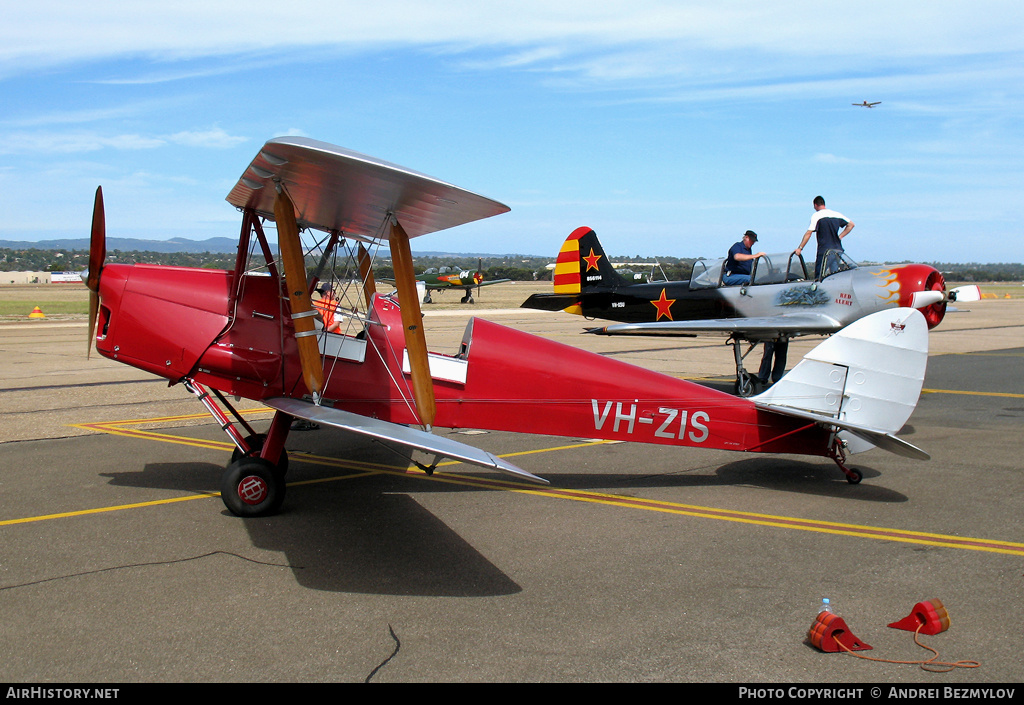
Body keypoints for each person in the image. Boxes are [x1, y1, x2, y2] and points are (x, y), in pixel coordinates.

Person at [795, 196, 854, 280]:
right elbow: (851, 224)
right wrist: (840, 236)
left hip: (825, 252)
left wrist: (800, 248)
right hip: (838, 251)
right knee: (835, 278)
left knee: (819, 279)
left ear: (815, 205)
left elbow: (809, 233)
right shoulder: (836, 214)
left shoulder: (817, 216)